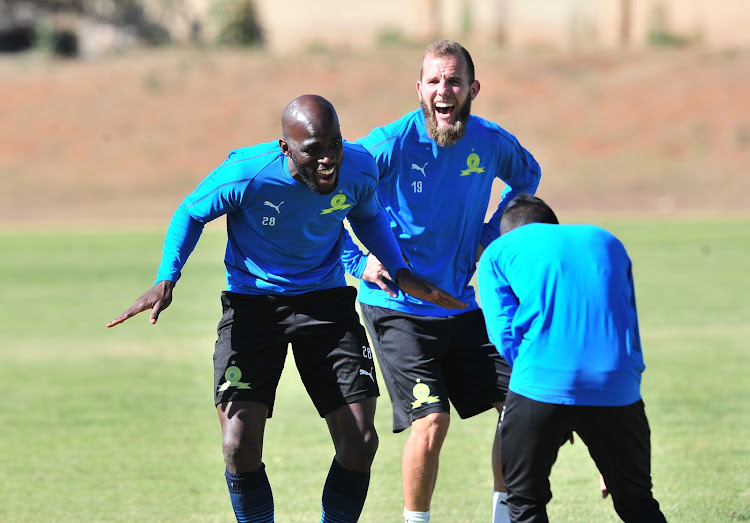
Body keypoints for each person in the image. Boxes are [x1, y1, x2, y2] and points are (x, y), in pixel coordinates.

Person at [106, 94, 467, 523]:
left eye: (334, 144)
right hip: (253, 305)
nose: (328, 159)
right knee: (238, 444)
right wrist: (168, 276)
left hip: (325, 304)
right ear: (286, 148)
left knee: (360, 442)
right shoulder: (247, 174)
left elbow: (367, 215)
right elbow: (190, 211)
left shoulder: (359, 166)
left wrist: (399, 270)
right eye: (313, 150)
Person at [341, 40, 541, 523]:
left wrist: (492, 236)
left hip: (460, 303)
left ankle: (505, 517)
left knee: (521, 405)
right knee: (431, 421)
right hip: (398, 307)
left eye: (453, 81)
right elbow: (327, 202)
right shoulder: (387, 145)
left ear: (473, 88)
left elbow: (528, 176)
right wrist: (358, 260)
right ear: (419, 89)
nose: (443, 90)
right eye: (434, 81)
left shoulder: (491, 142)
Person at [477, 194, 667, 523]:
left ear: (507, 232)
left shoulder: (498, 251)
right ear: (554, 225)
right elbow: (626, 323)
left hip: (539, 382)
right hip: (617, 388)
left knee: (524, 504)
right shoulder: (606, 240)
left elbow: (504, 335)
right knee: (638, 504)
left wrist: (545, 396)